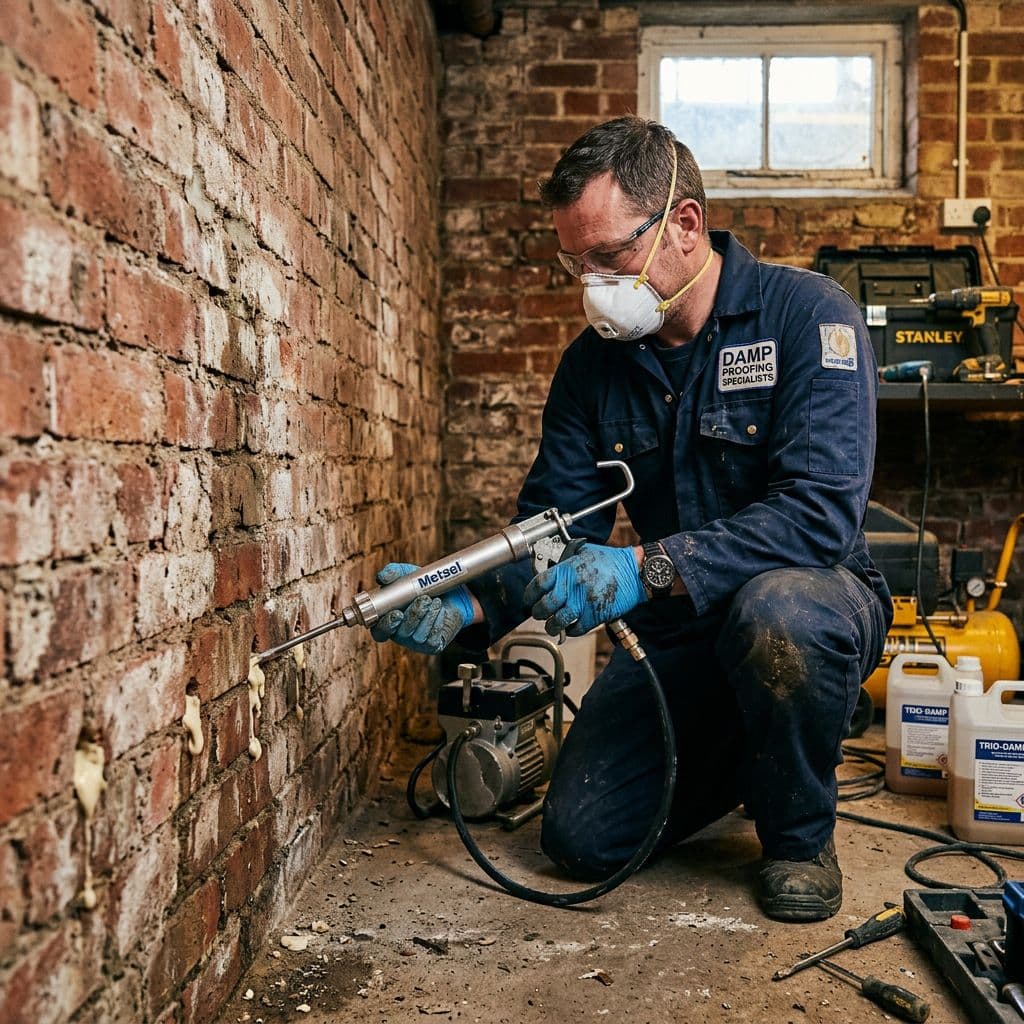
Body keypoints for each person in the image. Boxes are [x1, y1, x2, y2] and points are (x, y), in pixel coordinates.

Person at [370, 116, 893, 923]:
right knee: (581, 838)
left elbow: (819, 514)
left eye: (608, 256)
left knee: (778, 618)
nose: (591, 283)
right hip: (682, 627)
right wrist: (469, 604)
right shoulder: (592, 368)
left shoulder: (807, 316)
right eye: (574, 263)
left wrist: (645, 568)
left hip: (815, 602)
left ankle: (797, 835)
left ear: (684, 223)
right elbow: (553, 527)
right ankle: (769, 735)